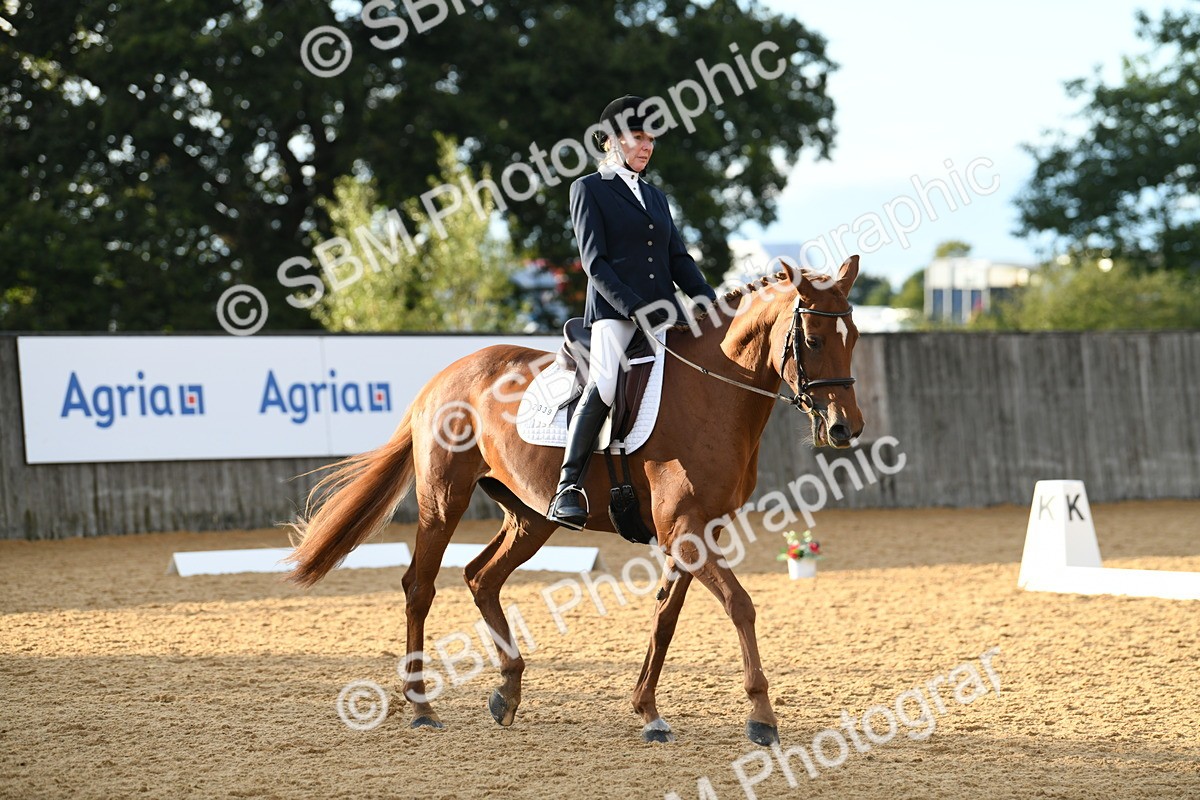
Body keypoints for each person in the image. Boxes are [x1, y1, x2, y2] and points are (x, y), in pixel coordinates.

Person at [546, 95, 718, 530]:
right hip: (616, 314)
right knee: (605, 383)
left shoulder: (656, 197)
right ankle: (568, 487)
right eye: (638, 138)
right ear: (611, 140)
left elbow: (677, 257)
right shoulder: (588, 188)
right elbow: (595, 264)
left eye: (651, 140)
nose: (646, 147)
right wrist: (635, 308)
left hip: (667, 312)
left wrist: (705, 296)